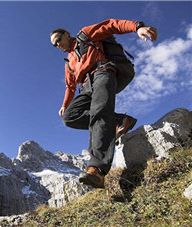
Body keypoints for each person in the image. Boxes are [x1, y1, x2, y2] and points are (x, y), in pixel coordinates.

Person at [50, 19, 157, 188]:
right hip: (86, 87)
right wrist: (65, 105)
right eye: (54, 45)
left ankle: (97, 170)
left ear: (66, 34)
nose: (57, 45)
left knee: (99, 113)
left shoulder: (85, 34)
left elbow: (111, 25)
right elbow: (70, 87)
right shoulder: (69, 61)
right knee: (69, 118)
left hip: (102, 72)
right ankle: (119, 121)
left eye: (58, 40)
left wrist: (137, 27)